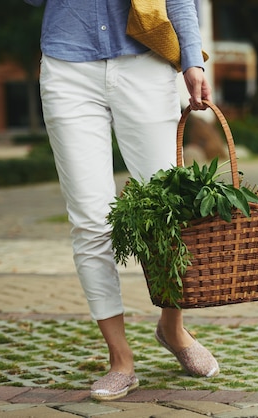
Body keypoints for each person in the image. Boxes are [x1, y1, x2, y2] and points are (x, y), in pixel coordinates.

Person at [24, 0, 218, 401]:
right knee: (90, 219)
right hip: (67, 64)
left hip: (143, 60)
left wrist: (191, 58)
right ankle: (120, 361)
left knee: (167, 211)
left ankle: (173, 328)